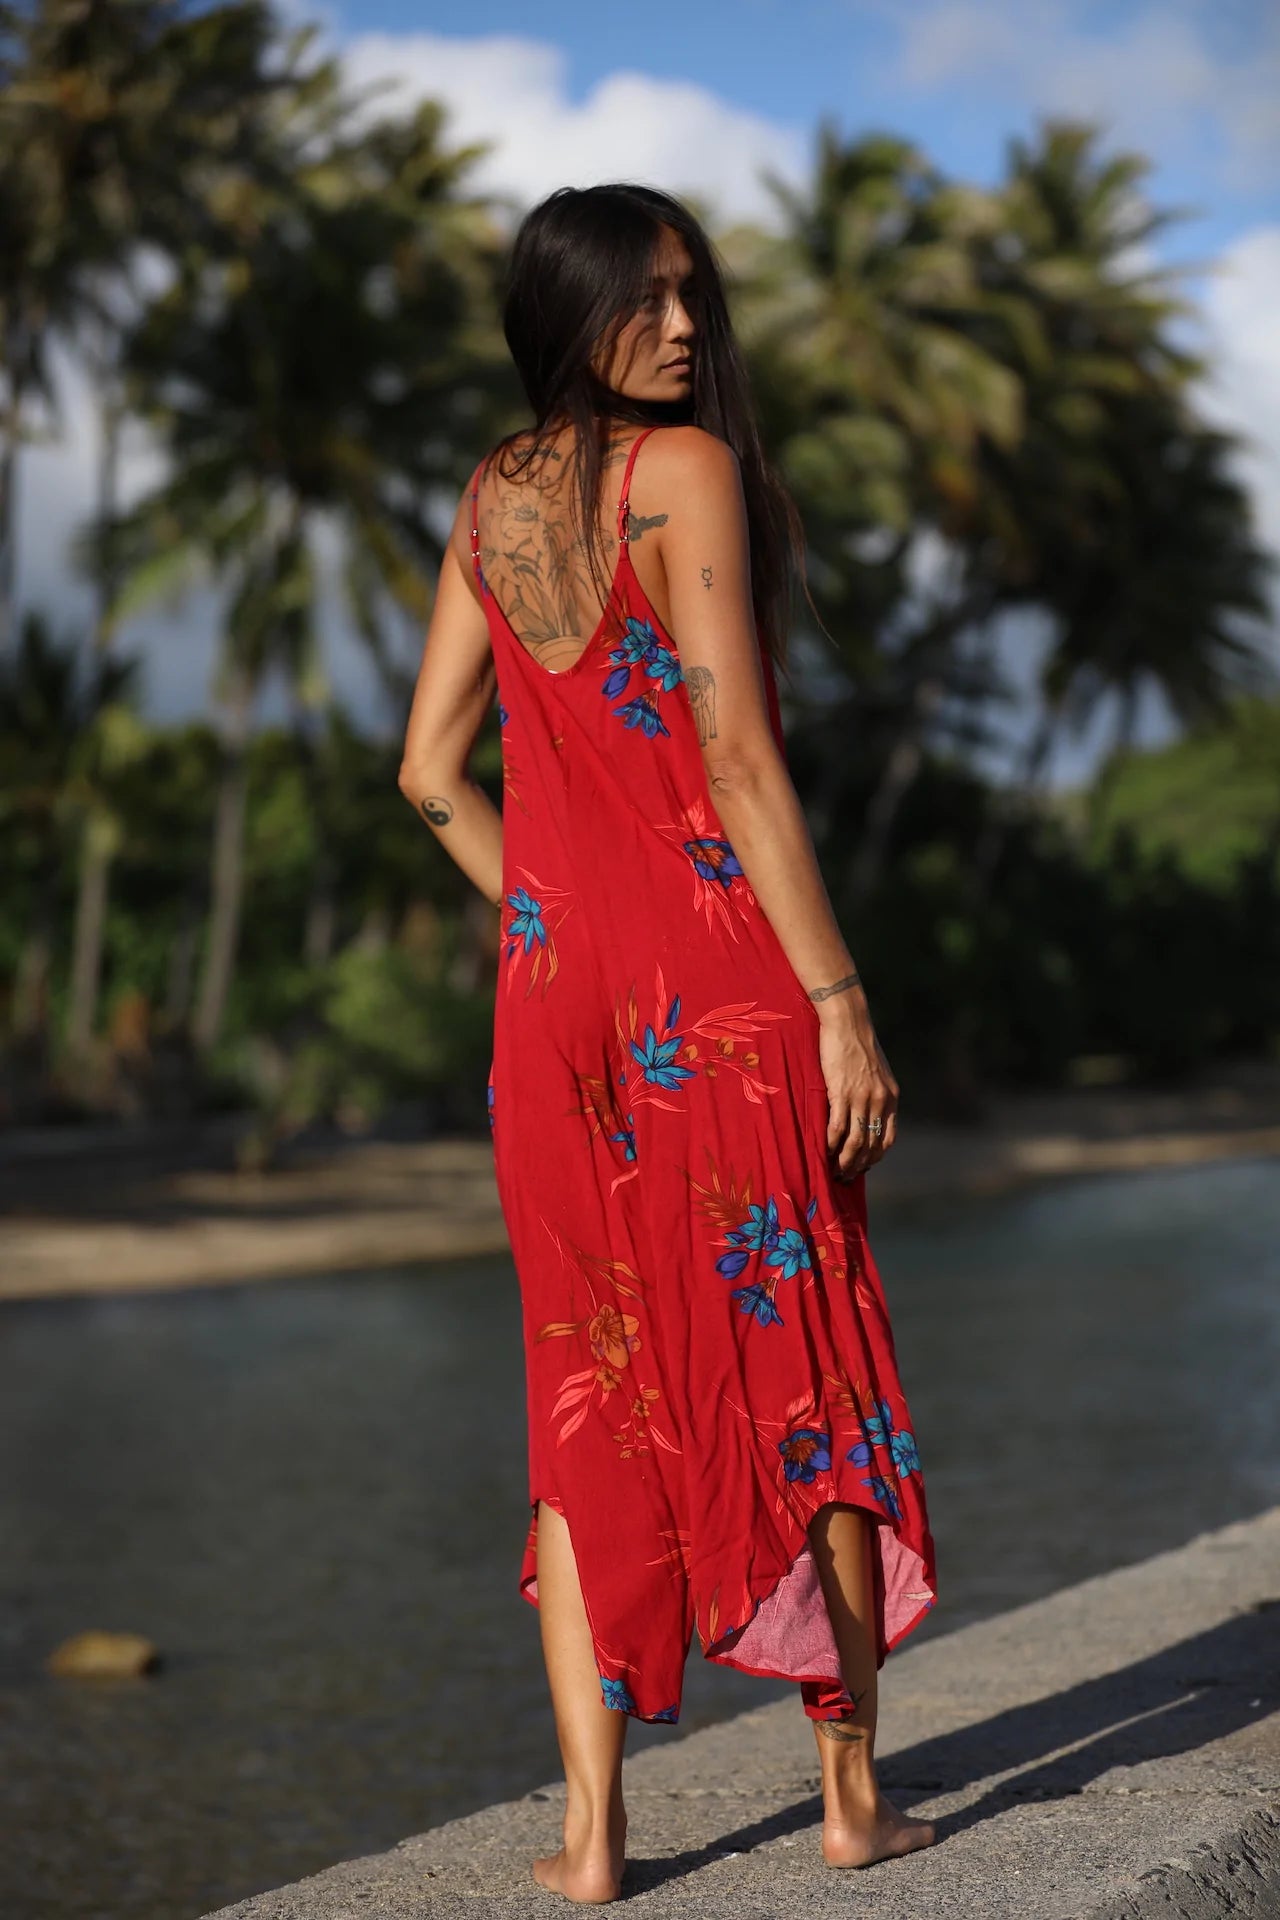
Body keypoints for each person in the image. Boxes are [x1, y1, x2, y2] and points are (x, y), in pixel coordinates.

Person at [398, 181, 939, 1903]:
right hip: (716, 1002)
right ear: (570, 314)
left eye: (694, 292)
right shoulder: (683, 472)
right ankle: (849, 1801)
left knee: (587, 1393)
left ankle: (590, 1840)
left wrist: (552, 916)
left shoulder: (489, 496)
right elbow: (740, 761)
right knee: (804, 1366)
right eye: (648, 299)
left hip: (550, 1016)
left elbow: (426, 775)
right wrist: (841, 999)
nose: (689, 326)